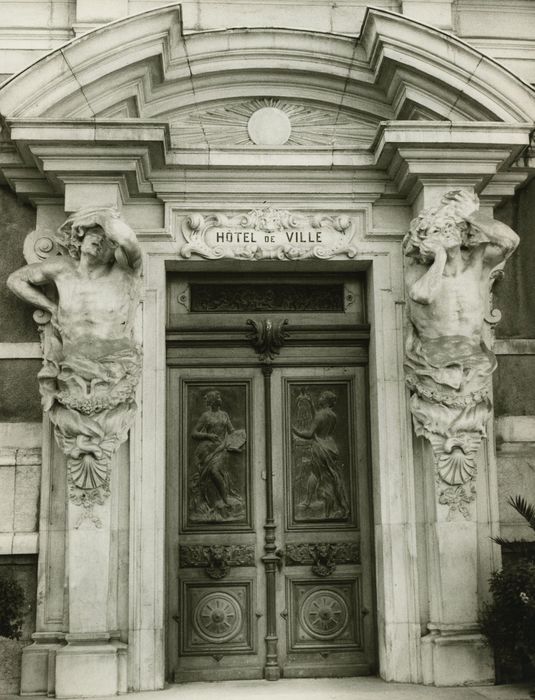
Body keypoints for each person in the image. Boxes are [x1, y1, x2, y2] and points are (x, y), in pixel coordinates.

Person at [404, 190, 519, 403]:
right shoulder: (419, 270)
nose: (447, 232)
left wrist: (473, 215)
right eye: (438, 230)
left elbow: (511, 241)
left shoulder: (478, 262)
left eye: (450, 226)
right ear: (428, 240)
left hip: (476, 365)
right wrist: (439, 257)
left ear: (461, 231)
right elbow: (422, 295)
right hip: (435, 366)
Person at [292, 390, 349, 520]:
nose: (320, 398)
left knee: (315, 474)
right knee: (332, 476)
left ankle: (307, 501)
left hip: (320, 448)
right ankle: (335, 506)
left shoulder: (319, 415)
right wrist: (312, 406)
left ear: (327, 401)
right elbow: (320, 423)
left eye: (322, 397)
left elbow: (309, 434)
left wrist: (294, 429)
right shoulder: (333, 416)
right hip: (331, 447)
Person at [190, 390, 246, 520]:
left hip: (221, 449)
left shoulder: (224, 414)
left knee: (215, 471)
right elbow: (194, 432)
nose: (220, 398)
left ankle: (224, 498)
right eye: (218, 397)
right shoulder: (206, 416)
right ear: (213, 400)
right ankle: (220, 500)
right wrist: (208, 435)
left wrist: (238, 440)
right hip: (208, 449)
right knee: (212, 473)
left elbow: (231, 431)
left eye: (220, 396)